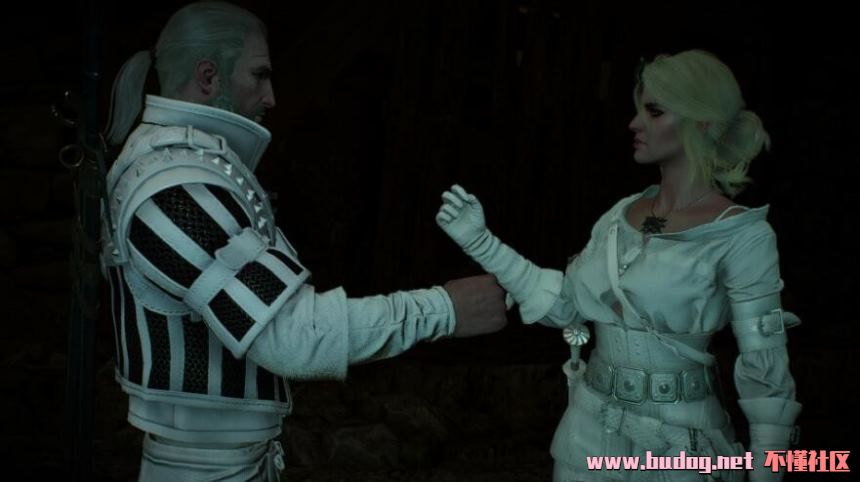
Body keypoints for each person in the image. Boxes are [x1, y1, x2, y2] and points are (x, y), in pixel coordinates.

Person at [99, 1, 507, 480]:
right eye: (259, 75)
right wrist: (445, 309)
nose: (271, 97)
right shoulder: (175, 186)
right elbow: (291, 336)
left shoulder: (181, 169)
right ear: (209, 77)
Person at [436, 50, 800, 482]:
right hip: (586, 436)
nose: (634, 123)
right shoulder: (619, 214)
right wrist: (480, 241)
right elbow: (564, 308)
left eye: (654, 111)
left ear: (702, 122)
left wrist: (768, 472)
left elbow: (766, 373)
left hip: (681, 445)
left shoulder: (742, 235)